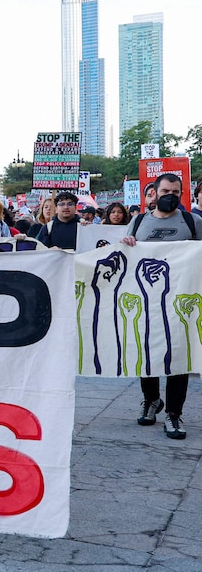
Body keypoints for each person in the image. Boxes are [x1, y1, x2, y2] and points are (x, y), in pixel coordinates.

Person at [121, 173, 201, 440]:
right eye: (166, 190)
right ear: (153, 193)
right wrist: (127, 244)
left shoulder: (193, 222)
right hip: (147, 301)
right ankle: (151, 400)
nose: (171, 196)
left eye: (176, 192)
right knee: (148, 352)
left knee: (179, 355)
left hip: (181, 301)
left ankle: (174, 414)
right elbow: (124, 254)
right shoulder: (139, 221)